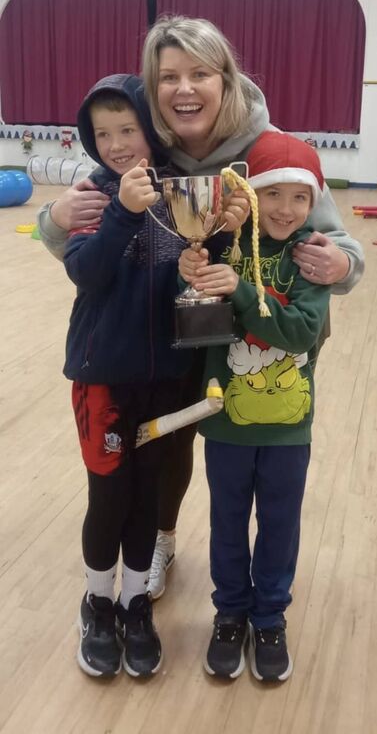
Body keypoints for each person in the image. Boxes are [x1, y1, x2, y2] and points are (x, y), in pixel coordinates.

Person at [38, 15, 364, 601]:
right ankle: (161, 540)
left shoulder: (269, 151)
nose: (184, 88)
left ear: (226, 79)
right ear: (152, 87)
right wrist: (52, 219)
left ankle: (203, 561)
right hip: (165, 335)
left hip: (259, 340)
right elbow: (80, 232)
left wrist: (342, 265)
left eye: (199, 73)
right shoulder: (146, 151)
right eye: (168, 77)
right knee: (172, 442)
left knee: (218, 448)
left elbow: (335, 244)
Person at [61, 73, 227, 679]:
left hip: (166, 380)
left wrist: (217, 234)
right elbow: (88, 273)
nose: (116, 143)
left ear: (150, 130)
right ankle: (97, 602)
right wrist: (123, 214)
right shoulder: (92, 197)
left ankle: (135, 604)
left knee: (146, 494)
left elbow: (201, 269)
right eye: (102, 133)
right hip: (104, 378)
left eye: (127, 128)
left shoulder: (182, 192)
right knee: (109, 495)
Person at [179, 131, 332, 682]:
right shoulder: (224, 247)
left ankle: (269, 619)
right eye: (273, 194)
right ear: (250, 195)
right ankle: (230, 616)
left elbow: (299, 333)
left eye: (300, 197)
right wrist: (193, 278)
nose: (286, 209)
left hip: (290, 428)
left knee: (279, 526)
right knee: (225, 523)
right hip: (225, 424)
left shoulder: (313, 259)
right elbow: (196, 316)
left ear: (313, 203)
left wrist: (241, 294)